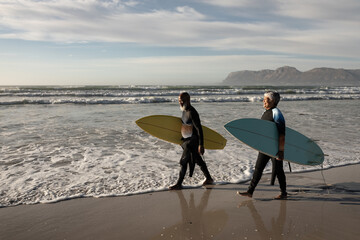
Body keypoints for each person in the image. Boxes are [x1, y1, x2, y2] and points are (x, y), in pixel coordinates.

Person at [238, 91, 287, 199]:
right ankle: (250, 191)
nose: (264, 101)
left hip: (275, 148)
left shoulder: (276, 112)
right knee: (258, 169)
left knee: (279, 170)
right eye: (264, 99)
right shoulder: (265, 113)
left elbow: (282, 132)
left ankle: (284, 193)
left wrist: (281, 150)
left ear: (273, 101)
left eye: (267, 99)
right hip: (265, 147)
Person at [169, 92, 214, 190]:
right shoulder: (184, 111)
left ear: (187, 100)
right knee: (198, 160)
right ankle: (209, 178)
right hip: (187, 141)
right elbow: (185, 126)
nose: (180, 102)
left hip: (192, 141)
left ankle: (179, 184)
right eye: (179, 101)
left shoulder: (192, 112)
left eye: (181, 100)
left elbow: (199, 129)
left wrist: (201, 144)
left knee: (183, 161)